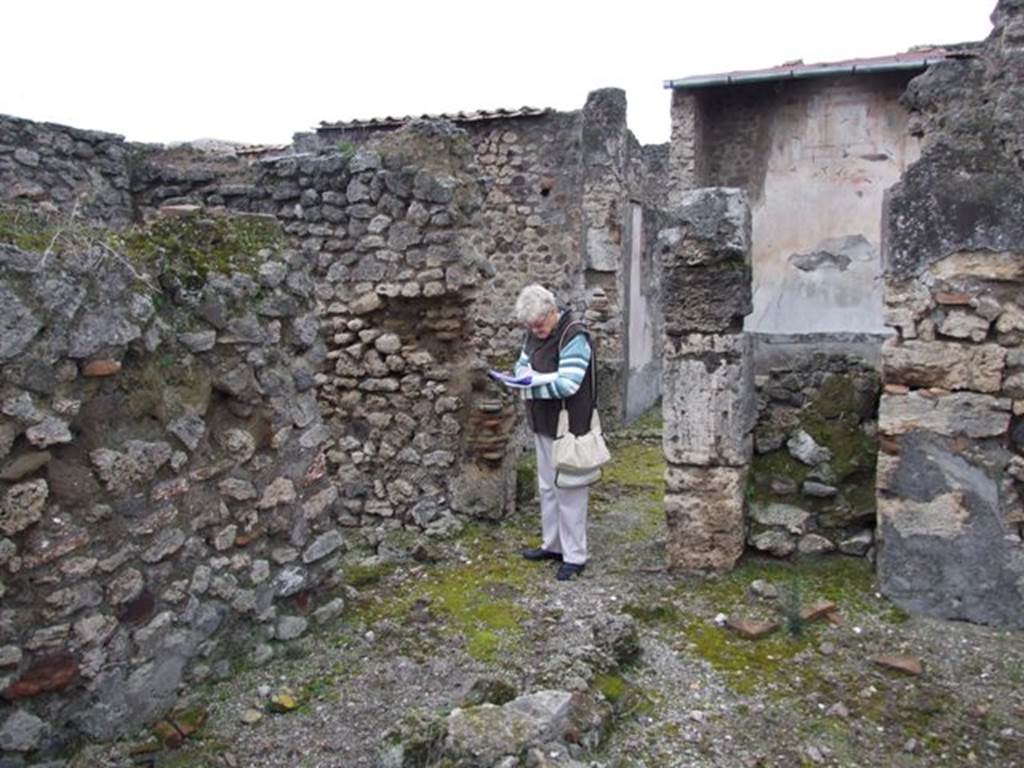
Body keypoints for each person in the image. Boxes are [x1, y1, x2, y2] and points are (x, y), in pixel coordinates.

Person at [511, 284, 596, 581]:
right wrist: (520, 379)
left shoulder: (575, 336)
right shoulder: (533, 336)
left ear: (552, 312)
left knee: (570, 489)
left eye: (540, 323)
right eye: (530, 326)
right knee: (547, 488)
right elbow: (522, 366)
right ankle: (553, 545)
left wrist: (531, 385)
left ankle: (575, 556)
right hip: (543, 423)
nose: (536, 330)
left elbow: (569, 384)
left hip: (570, 426)